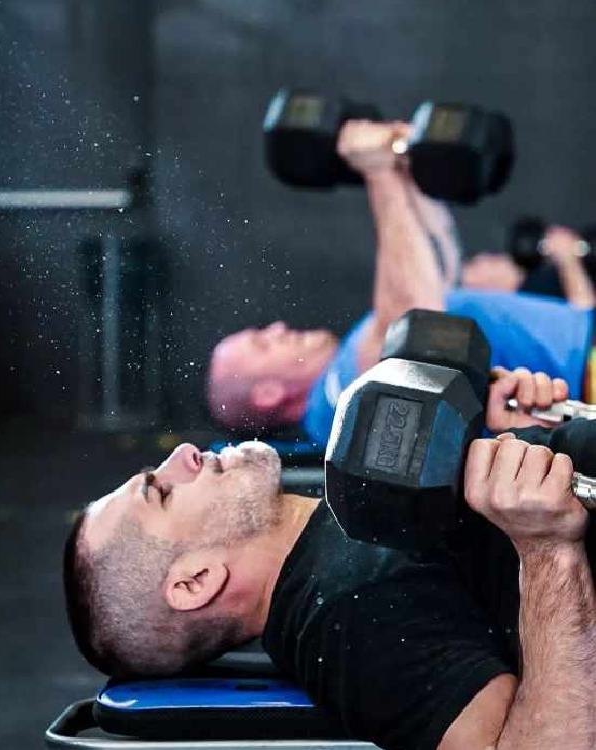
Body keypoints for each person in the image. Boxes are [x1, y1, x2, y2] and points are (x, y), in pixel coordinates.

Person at [64, 368, 596, 750]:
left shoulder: (348, 506)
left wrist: (502, 436)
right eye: (161, 492)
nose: (182, 455)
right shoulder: (350, 618)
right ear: (195, 581)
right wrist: (548, 550)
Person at [208, 120, 595, 439]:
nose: (276, 328)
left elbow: (438, 277)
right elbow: (423, 327)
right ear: (268, 393)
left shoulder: (345, 370)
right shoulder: (338, 397)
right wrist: (379, 174)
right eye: (262, 343)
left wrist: (404, 172)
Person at [462, 224, 596, 307]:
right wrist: (568, 260)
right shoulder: (528, 305)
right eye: (474, 267)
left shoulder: (532, 261)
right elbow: (583, 312)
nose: (481, 258)